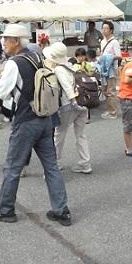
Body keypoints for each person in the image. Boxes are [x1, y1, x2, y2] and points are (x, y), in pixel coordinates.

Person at [0, 24, 71, 226]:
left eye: (6, 39)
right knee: (51, 167)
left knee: (13, 167)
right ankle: (61, 210)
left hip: (25, 120)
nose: (3, 42)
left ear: (16, 41)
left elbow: (4, 92)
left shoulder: (14, 63)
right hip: (46, 118)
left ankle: (5, 209)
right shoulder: (39, 56)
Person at [45, 43, 92, 174]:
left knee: (59, 135)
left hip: (69, 105)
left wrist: (73, 100)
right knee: (81, 135)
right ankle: (85, 163)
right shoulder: (71, 66)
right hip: (82, 103)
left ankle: (55, 163)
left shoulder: (59, 69)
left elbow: (66, 87)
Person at [100, 21, 122, 120]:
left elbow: (119, 56)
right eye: (103, 28)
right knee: (105, 90)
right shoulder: (102, 41)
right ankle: (109, 110)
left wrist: (109, 58)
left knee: (111, 91)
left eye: (106, 28)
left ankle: (113, 112)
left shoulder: (114, 42)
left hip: (112, 69)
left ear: (111, 30)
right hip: (104, 69)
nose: (104, 30)